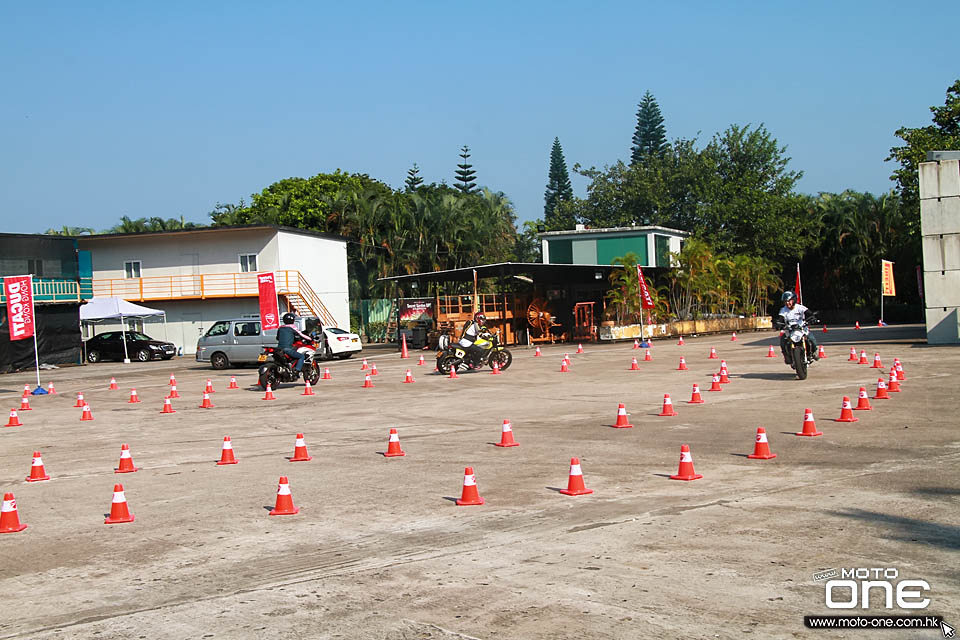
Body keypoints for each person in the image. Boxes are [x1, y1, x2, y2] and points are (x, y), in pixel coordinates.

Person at [775, 291, 819, 365]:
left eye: (789, 301)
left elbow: (808, 313)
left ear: (794, 300)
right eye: (785, 301)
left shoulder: (800, 307)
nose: (787, 303)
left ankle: (814, 351)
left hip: (801, 328)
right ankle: (786, 355)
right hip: (789, 330)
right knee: (783, 341)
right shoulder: (783, 310)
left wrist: (812, 317)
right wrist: (778, 324)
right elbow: (781, 318)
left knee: (811, 338)